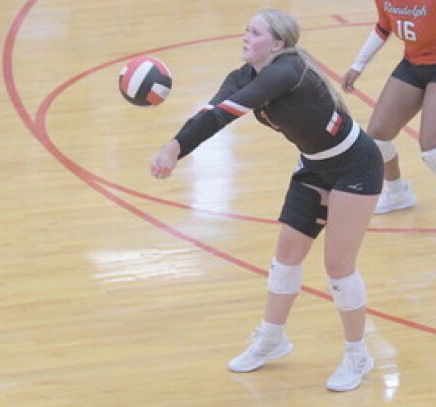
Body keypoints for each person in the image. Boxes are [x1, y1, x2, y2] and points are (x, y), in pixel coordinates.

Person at [151, 8, 383, 392]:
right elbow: (210, 111)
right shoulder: (242, 76)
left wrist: (174, 148)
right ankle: (273, 339)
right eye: (246, 30)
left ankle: (358, 355)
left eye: (255, 33)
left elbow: (227, 113)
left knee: (338, 266)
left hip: (355, 166)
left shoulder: (287, 70)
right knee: (285, 258)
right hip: (312, 167)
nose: (246, 37)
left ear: (277, 43)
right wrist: (177, 146)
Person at [342, 0, 436, 241]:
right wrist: (358, 65)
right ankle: (397, 192)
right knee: (377, 137)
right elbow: (383, 27)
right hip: (413, 63)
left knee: (433, 148)